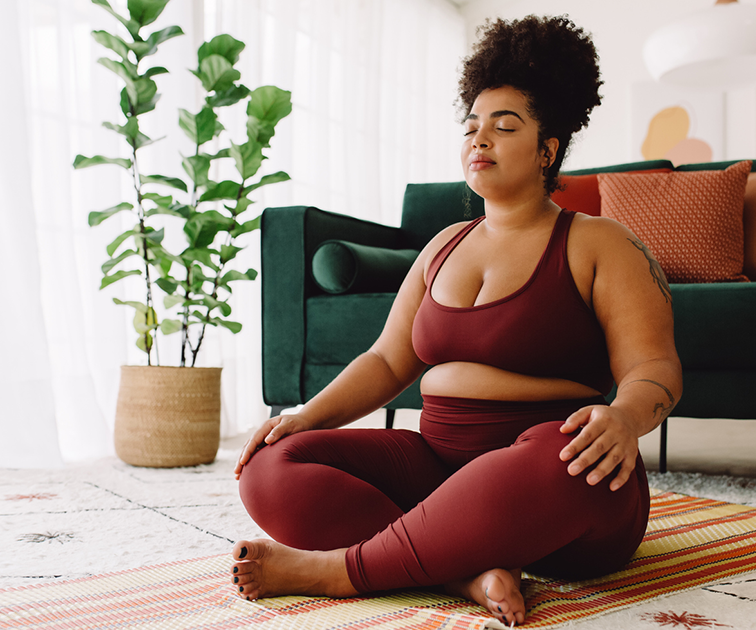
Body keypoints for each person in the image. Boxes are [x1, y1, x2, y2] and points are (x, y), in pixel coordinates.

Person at [230, 14, 682, 626]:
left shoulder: (601, 243)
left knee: (564, 452)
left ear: (548, 149)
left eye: (504, 126)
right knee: (269, 465)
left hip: (555, 481)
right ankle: (464, 569)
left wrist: (625, 418)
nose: (480, 140)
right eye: (471, 128)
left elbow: (654, 367)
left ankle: (336, 570)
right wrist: (302, 417)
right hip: (437, 468)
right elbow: (388, 360)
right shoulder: (442, 245)